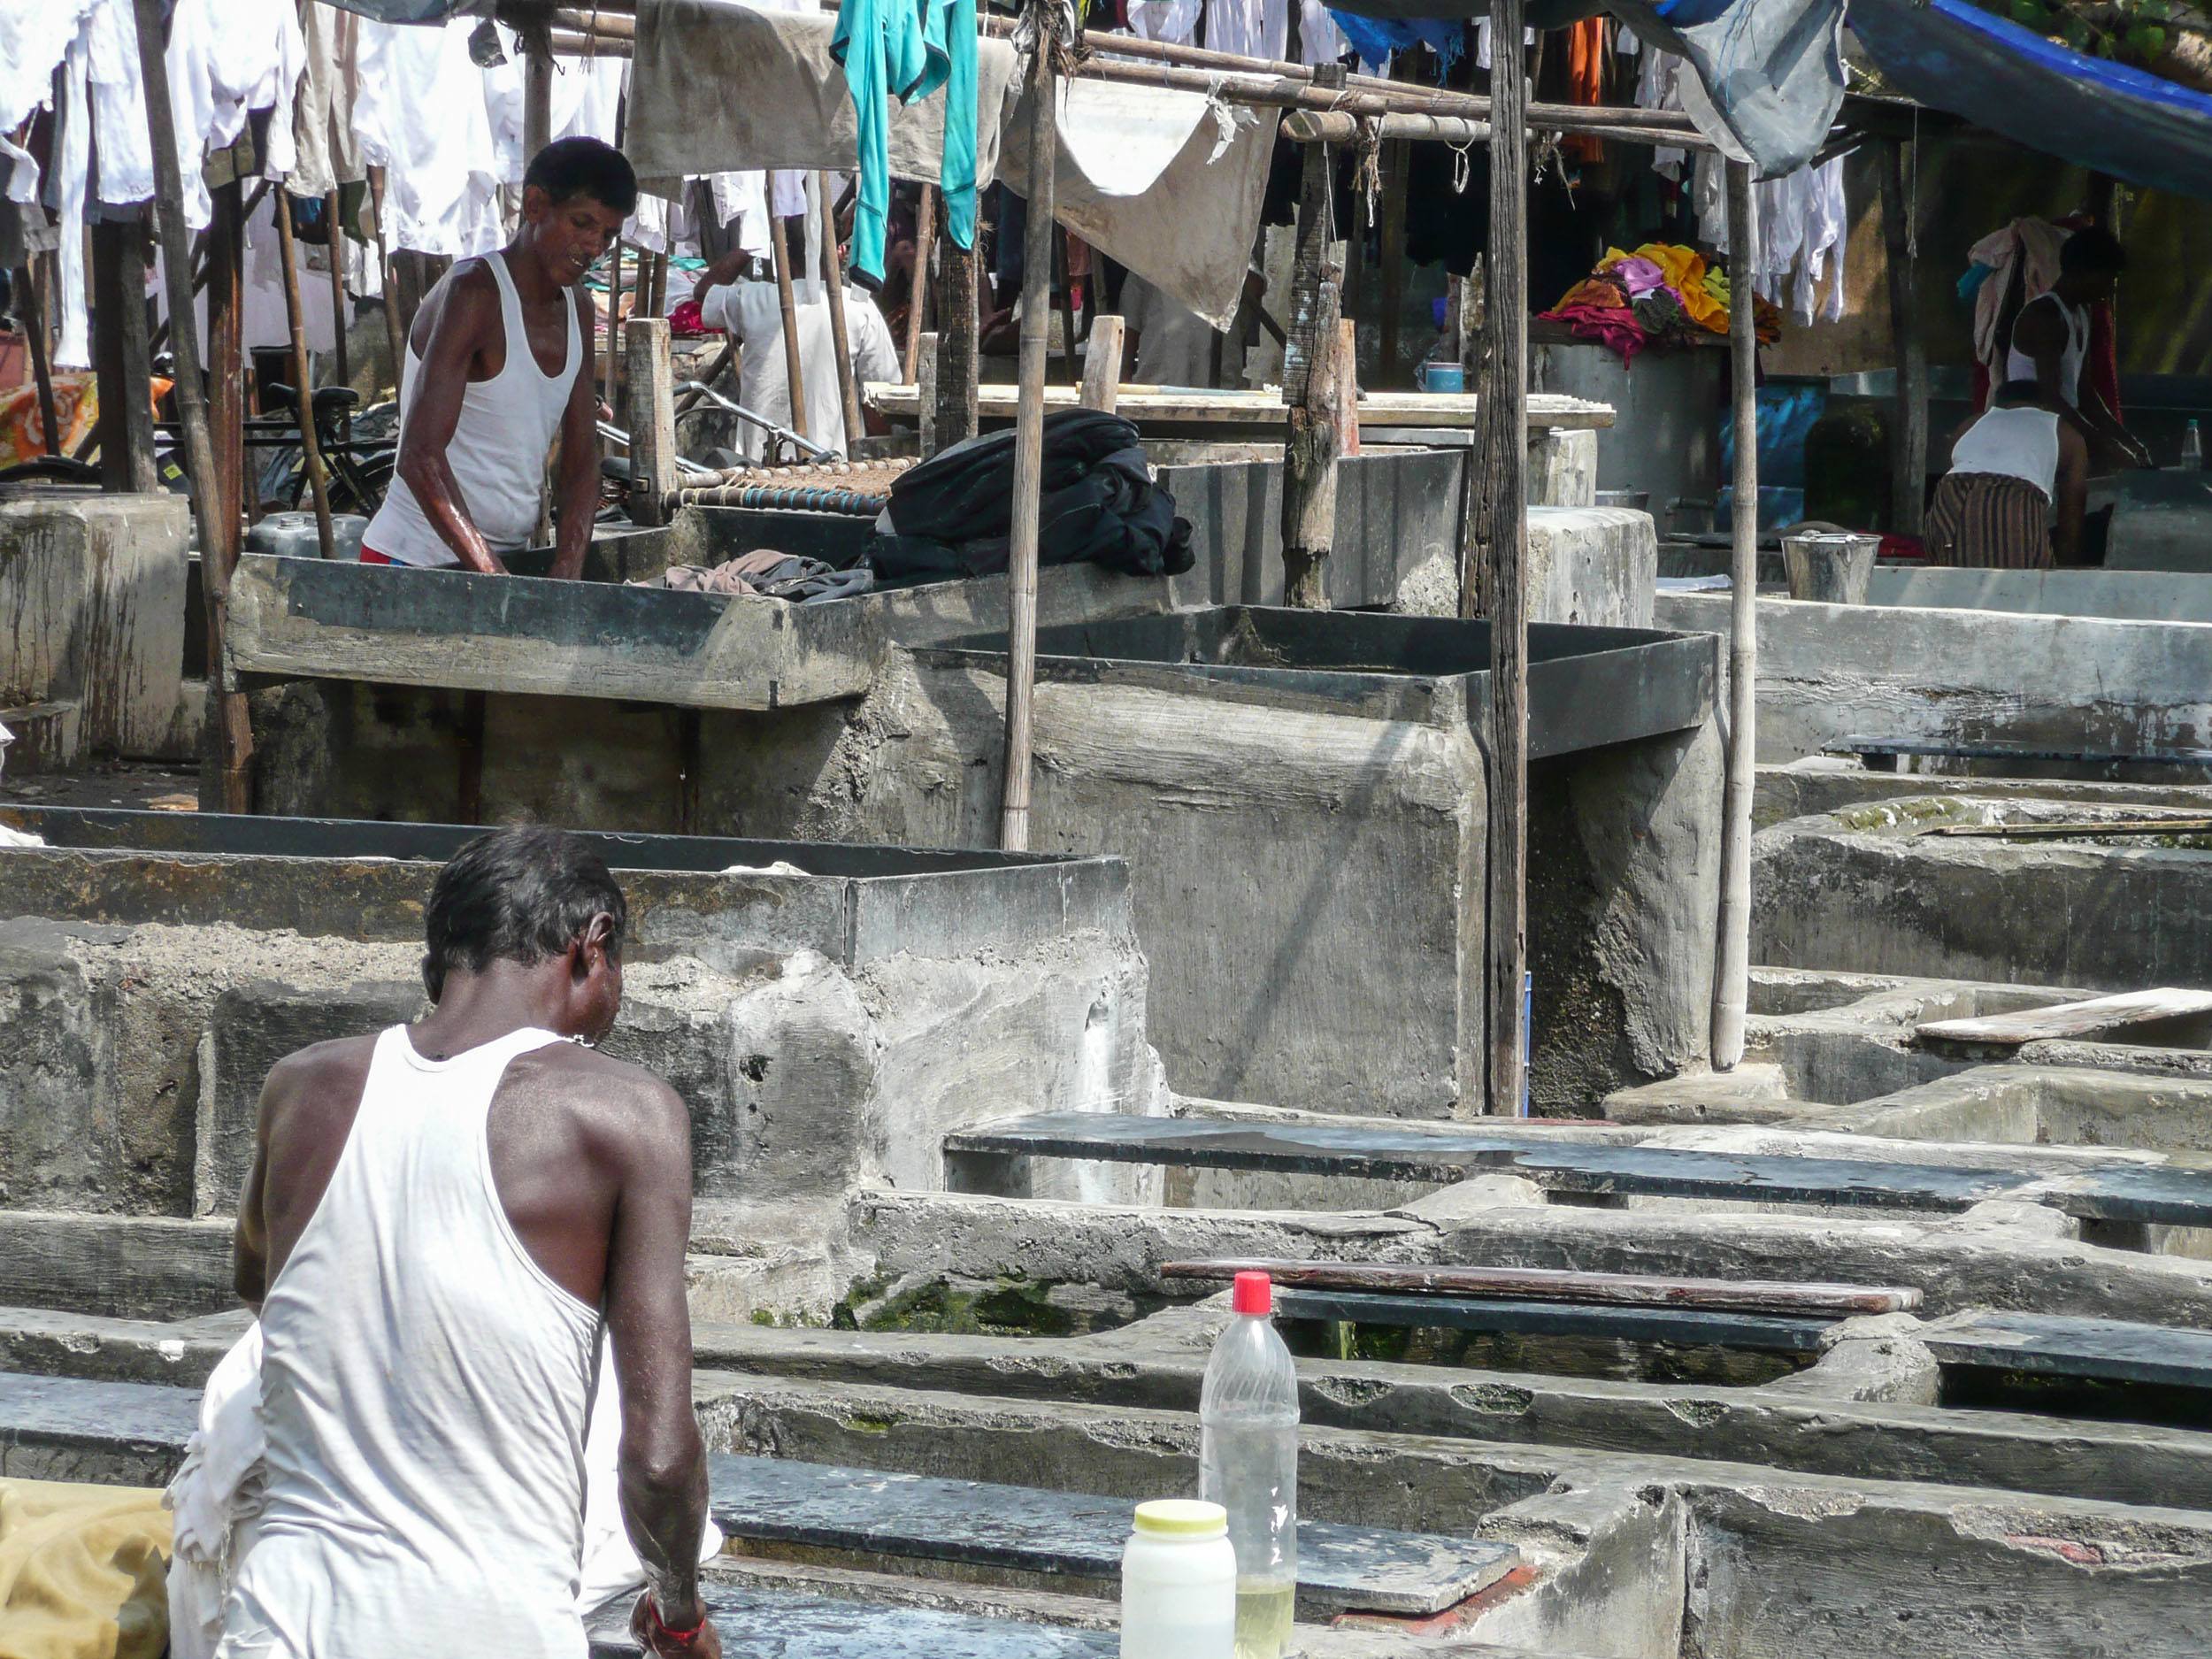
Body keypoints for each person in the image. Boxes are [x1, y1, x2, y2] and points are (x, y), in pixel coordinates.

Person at [217, 827, 720, 1659]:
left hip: (278, 1623)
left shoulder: (297, 1087)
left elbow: (259, 1289)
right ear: (590, 947)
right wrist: (679, 1617)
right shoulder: (629, 1113)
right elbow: (662, 1459)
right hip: (488, 1627)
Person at [360, 138, 634, 576]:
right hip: (412, 561)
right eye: (582, 223)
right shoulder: (475, 292)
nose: (594, 246)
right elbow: (420, 455)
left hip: (504, 561)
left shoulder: (579, 308)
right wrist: (495, 578)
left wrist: (567, 569)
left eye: (607, 234)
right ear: (534, 205)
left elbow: (582, 465)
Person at [691, 231, 901, 461]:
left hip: (761, 463)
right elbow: (878, 404)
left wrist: (751, 246)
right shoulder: (860, 308)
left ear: (785, 260)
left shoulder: (755, 298)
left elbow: (704, 291)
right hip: (835, 464)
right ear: (838, 255)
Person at [2005, 226, 2152, 471]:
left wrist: (2130, 442)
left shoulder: (2082, 313)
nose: (2111, 288)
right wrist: (2107, 446)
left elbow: (2086, 394)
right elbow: (2051, 399)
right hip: (2033, 436)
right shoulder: (2046, 316)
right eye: (2108, 278)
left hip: (2062, 432)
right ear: (2083, 272)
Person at [1926, 378, 2088, 570]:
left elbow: (1954, 470)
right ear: (2044, 407)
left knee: (1951, 583)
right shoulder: (2065, 433)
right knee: (2019, 588)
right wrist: (2067, 566)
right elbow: (2072, 515)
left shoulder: (1971, 424)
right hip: (2012, 501)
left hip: (1950, 497)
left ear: (1999, 405)